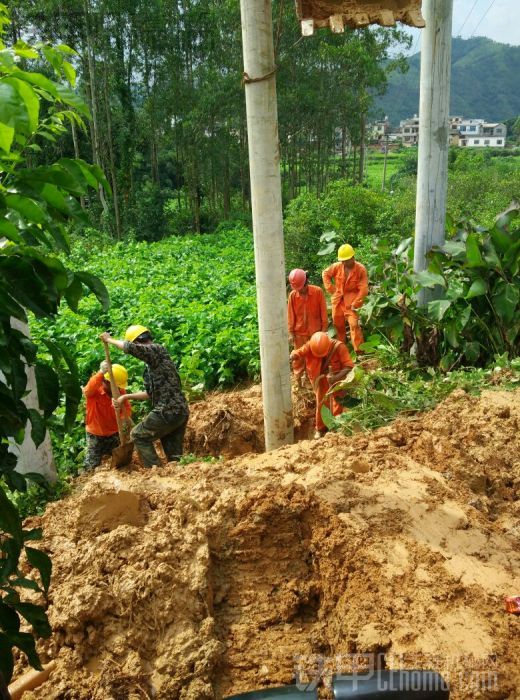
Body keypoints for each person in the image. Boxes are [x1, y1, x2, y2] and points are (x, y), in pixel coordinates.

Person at [100, 325, 189, 467]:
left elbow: (130, 348)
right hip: (179, 412)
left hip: (167, 410)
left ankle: (155, 472)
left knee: (138, 435)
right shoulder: (151, 368)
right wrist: (126, 397)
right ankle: (177, 482)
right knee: (175, 459)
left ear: (137, 342)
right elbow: (150, 394)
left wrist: (109, 340)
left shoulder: (157, 350)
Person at [290, 331, 354, 439]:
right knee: (321, 402)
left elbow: (348, 366)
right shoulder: (311, 345)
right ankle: (320, 428)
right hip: (321, 379)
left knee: (338, 401)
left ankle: (336, 426)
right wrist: (292, 356)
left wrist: (335, 378)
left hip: (338, 379)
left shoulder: (339, 347)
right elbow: (300, 352)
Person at [83, 361, 131, 470]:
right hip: (95, 434)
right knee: (91, 464)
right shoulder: (94, 391)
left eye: (120, 386)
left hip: (113, 433)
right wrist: (101, 372)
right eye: (117, 386)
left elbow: (127, 410)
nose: (119, 389)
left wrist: (122, 415)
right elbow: (87, 391)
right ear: (106, 381)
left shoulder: (121, 392)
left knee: (118, 464)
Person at [322, 243, 369, 353]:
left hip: (352, 301)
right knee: (337, 322)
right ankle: (342, 345)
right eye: (342, 260)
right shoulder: (337, 266)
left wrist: (356, 303)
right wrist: (332, 289)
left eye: (346, 260)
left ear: (353, 257)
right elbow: (325, 274)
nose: (344, 262)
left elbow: (364, 289)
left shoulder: (360, 269)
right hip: (338, 300)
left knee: (354, 324)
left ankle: (359, 351)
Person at [287, 268, 328, 382]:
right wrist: (291, 333)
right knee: (298, 359)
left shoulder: (317, 292)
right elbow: (291, 315)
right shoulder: (292, 296)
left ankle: (314, 383)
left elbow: (324, 314)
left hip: (315, 334)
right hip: (299, 334)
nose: (299, 291)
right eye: (296, 289)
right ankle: (298, 382)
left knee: (314, 360)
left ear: (306, 283)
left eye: (301, 288)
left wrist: (323, 332)